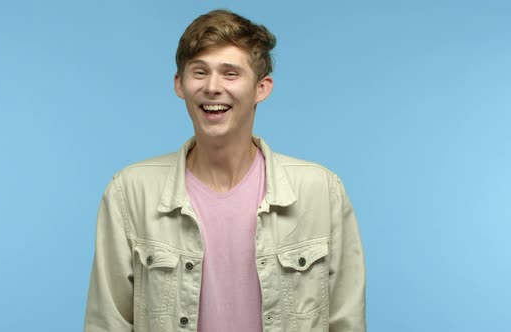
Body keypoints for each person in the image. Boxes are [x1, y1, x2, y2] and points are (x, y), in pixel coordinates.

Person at [84, 9, 366, 332]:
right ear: (180, 84)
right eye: (199, 72)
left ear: (262, 87)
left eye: (230, 73)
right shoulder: (129, 192)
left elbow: (347, 322)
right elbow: (106, 323)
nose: (213, 87)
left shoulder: (322, 192)